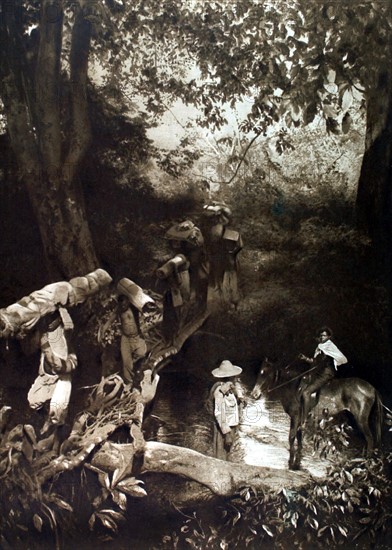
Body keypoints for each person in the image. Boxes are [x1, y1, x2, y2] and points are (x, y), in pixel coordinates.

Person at [27, 308, 77, 435]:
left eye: (52, 318)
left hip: (61, 378)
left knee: (57, 411)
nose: (49, 322)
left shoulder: (65, 332)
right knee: (32, 400)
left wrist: (62, 307)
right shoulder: (44, 333)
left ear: (59, 318)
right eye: (47, 318)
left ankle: (54, 431)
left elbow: (69, 324)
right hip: (45, 376)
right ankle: (46, 417)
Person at [298, 326, 348, 423]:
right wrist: (305, 358)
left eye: (324, 336)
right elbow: (315, 362)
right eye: (321, 336)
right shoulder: (321, 346)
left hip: (326, 374)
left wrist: (324, 360)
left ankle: (304, 420)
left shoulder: (329, 346)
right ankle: (310, 410)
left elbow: (342, 358)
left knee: (306, 392)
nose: (322, 338)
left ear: (329, 337)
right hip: (320, 373)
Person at [99, 294, 147, 385]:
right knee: (126, 363)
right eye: (122, 305)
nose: (123, 306)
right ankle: (129, 383)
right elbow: (109, 321)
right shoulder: (119, 309)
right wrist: (102, 332)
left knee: (142, 354)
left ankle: (137, 371)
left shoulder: (134, 308)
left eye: (125, 304)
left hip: (137, 337)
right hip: (126, 339)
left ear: (128, 302)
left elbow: (146, 309)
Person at [210, 359, 244, 460]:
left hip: (231, 426)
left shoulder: (230, 389)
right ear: (228, 377)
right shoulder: (219, 391)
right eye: (233, 376)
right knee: (221, 457)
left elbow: (232, 405)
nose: (235, 378)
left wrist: (240, 401)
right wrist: (227, 433)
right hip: (223, 430)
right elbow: (219, 412)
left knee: (227, 456)